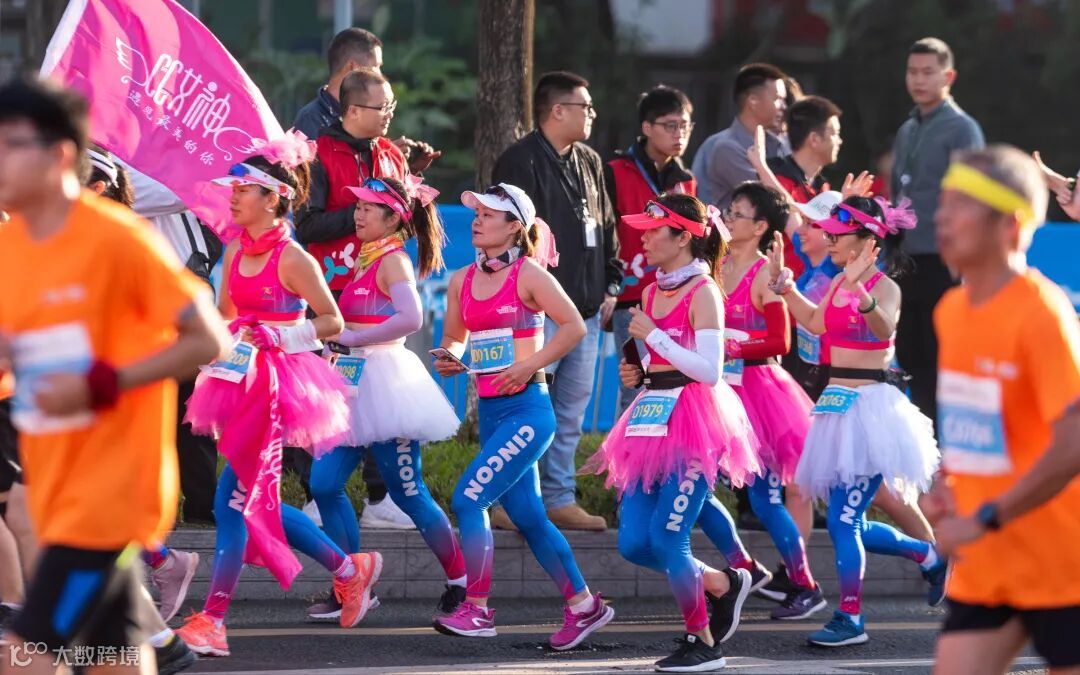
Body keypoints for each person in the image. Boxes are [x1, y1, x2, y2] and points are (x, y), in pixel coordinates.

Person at [0, 76, 229, 675]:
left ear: (60, 154)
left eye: (10, 144)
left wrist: (101, 383)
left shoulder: (118, 239)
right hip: (53, 482)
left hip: (111, 492)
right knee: (112, 657)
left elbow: (207, 339)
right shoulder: (12, 247)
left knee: (24, 657)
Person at [176, 135, 381, 657]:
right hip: (236, 383)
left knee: (235, 502)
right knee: (247, 500)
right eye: (233, 189)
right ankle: (348, 569)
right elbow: (226, 317)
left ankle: (213, 619)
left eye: (244, 189)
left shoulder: (292, 258)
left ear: (273, 199)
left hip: (278, 388)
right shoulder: (234, 250)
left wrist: (281, 334)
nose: (233, 197)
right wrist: (208, 345)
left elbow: (332, 320)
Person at [431, 183, 614, 649]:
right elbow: (454, 338)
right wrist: (450, 357)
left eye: (489, 214)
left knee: (469, 499)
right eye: (476, 212)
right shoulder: (461, 279)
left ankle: (477, 609)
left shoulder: (530, 274)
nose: (477, 220)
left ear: (515, 227)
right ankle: (585, 606)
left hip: (529, 412)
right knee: (529, 517)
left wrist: (530, 364)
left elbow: (573, 326)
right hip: (493, 413)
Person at [583, 193, 757, 671]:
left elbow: (710, 371)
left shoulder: (703, 291)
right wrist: (637, 370)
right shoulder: (651, 291)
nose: (642, 238)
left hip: (696, 422)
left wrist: (654, 336)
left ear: (683, 237)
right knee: (633, 543)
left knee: (667, 539)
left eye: (653, 230)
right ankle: (722, 583)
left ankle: (704, 643)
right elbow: (653, 359)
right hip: (651, 418)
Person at [925, 147, 1080, 675]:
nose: (942, 217)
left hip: (1063, 559)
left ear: (1010, 225)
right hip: (989, 561)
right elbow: (979, 427)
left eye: (961, 205)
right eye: (942, 203)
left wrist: (986, 518)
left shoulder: (1042, 314)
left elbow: (1073, 445)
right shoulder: (951, 311)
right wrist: (947, 483)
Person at [769, 195, 946, 647]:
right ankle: (928, 555)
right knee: (850, 521)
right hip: (836, 408)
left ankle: (850, 619)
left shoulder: (887, 287)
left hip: (871, 413)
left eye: (837, 235)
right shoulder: (835, 281)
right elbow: (814, 324)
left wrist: (860, 291)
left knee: (843, 522)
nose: (829, 240)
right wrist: (785, 287)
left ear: (867, 241)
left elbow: (885, 328)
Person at [306, 175, 466, 622]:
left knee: (408, 492)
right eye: (356, 206)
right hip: (351, 381)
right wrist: (336, 341)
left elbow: (411, 318)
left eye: (366, 208)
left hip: (386, 383)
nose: (356, 215)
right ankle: (352, 582)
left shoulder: (393, 260)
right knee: (324, 484)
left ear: (392, 218)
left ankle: (461, 583)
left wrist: (357, 337)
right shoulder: (365, 257)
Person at [491, 71, 620, 531]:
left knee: (569, 412)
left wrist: (611, 284)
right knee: (526, 410)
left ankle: (559, 497)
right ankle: (509, 500)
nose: (592, 114)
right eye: (586, 107)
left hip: (584, 311)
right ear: (558, 110)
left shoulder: (590, 160)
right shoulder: (518, 161)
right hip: (535, 313)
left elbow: (606, 228)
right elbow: (507, 236)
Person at [692, 182, 825, 622]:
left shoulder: (766, 273)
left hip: (760, 394)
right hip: (721, 390)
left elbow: (780, 340)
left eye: (738, 214)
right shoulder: (717, 265)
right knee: (699, 480)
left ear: (761, 226)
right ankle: (747, 567)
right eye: (728, 211)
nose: (728, 219)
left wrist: (733, 345)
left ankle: (805, 584)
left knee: (766, 499)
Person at [295, 66, 415, 531]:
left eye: (391, 106)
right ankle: (318, 495)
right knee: (329, 394)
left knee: (380, 394)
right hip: (331, 291)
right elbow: (307, 224)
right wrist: (364, 212)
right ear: (350, 109)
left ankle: (381, 497)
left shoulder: (391, 153)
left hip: (379, 286)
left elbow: (404, 220)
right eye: (380, 107)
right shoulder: (317, 152)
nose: (388, 115)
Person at [891, 37, 984, 426]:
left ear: (949, 77)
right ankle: (923, 444)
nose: (918, 80)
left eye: (928, 72)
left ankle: (947, 445)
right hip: (905, 260)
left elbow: (971, 197)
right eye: (912, 71)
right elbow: (897, 193)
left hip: (944, 261)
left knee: (941, 357)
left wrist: (964, 259)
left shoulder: (962, 129)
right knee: (910, 355)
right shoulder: (907, 129)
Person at [605, 85, 697, 414]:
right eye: (670, 125)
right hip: (633, 297)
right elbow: (606, 233)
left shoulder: (685, 180)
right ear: (646, 127)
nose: (679, 134)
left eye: (685, 125)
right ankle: (628, 447)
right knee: (638, 385)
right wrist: (608, 285)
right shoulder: (615, 171)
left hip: (680, 296)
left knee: (675, 383)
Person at [292, 27, 437, 174]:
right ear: (353, 67)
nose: (380, 75)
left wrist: (401, 166)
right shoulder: (311, 119)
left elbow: (367, 180)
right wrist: (382, 157)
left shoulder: (370, 112)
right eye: (376, 66)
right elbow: (308, 181)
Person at [690, 63, 789, 210]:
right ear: (753, 101)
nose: (784, 106)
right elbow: (774, 204)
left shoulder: (779, 144)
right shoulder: (725, 148)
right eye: (778, 99)